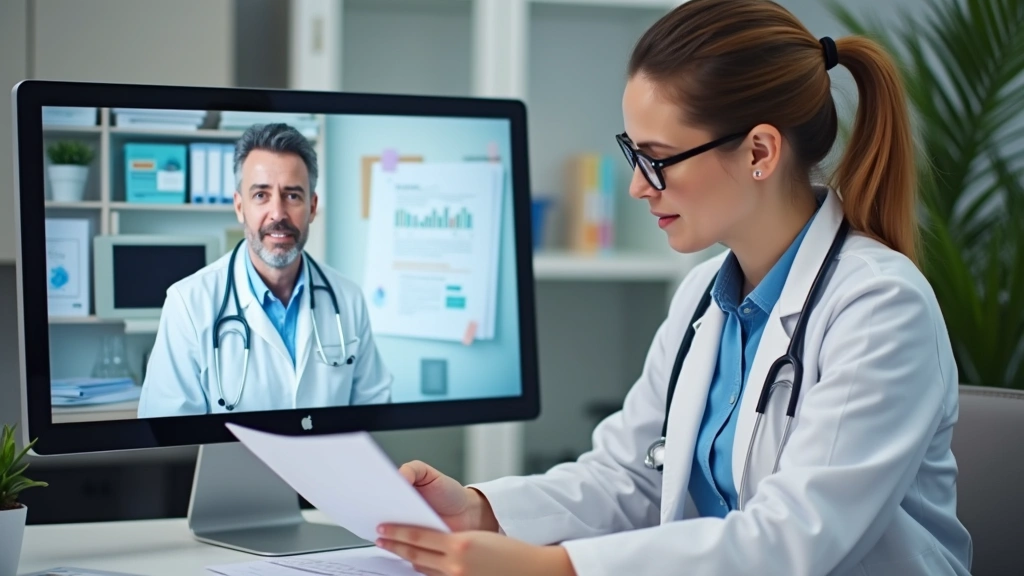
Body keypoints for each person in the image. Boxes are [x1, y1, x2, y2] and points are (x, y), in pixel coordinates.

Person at [372, 1, 973, 575]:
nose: (638, 186)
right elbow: (630, 476)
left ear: (760, 151)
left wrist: (555, 567)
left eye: (658, 158)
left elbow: (795, 540)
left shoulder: (879, 308)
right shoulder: (703, 296)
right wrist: (479, 510)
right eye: (633, 152)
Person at [138, 123, 392, 417]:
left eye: (292, 195)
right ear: (239, 206)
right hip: (232, 466)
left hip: (329, 463)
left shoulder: (347, 298)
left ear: (312, 207)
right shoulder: (188, 304)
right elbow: (167, 432)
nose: (278, 214)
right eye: (261, 195)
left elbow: (374, 410)